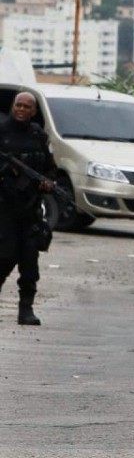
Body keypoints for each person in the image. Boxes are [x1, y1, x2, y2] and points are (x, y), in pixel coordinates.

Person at [0, 92, 56, 325]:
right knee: (5, 257)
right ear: (13, 107)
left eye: (27, 107)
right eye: (18, 105)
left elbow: (50, 169)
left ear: (33, 111)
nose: (21, 110)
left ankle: (26, 309)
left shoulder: (38, 136)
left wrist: (47, 183)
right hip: (4, 208)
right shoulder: (2, 131)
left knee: (30, 261)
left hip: (30, 208)